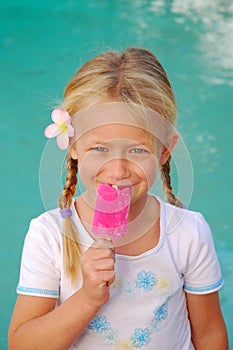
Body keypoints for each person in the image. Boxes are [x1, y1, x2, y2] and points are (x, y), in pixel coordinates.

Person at [8, 47, 228, 350]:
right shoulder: (49, 236)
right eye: (99, 148)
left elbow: (210, 335)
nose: (117, 170)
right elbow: (22, 343)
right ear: (73, 145)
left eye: (137, 150)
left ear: (164, 151)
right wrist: (87, 298)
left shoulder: (188, 232)